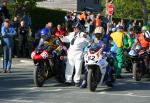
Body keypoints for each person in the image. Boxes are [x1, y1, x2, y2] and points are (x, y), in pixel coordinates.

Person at [60, 22, 90, 86]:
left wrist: (86, 36)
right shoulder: (71, 34)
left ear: (79, 28)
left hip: (79, 53)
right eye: (74, 28)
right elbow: (66, 39)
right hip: (71, 52)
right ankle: (68, 80)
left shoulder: (83, 34)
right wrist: (62, 37)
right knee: (69, 66)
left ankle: (76, 81)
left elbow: (89, 40)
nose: (74, 29)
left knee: (78, 67)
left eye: (76, 28)